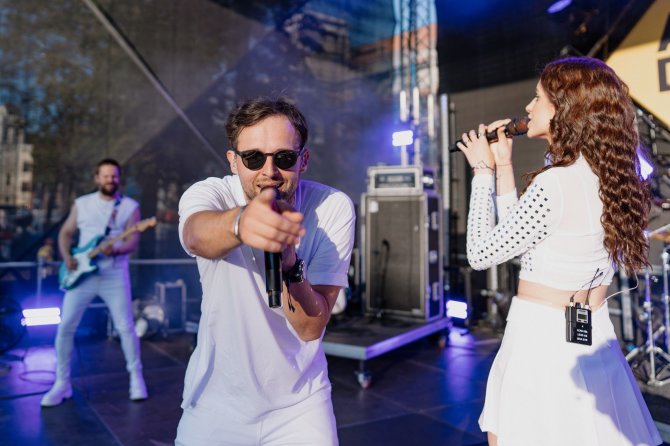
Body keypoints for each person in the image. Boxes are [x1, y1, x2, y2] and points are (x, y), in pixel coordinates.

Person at [457, 57, 662, 446]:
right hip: (591, 330)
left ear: (565, 109)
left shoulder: (556, 182)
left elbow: (482, 253)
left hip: (542, 335)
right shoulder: (610, 175)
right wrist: (503, 167)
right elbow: (527, 240)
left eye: (537, 99)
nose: (528, 108)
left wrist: (481, 175)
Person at [175, 97, 355, 446]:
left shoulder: (332, 207)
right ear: (233, 162)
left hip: (300, 403)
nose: (269, 171)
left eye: (284, 158)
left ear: (303, 159)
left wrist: (289, 262)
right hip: (216, 400)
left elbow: (310, 327)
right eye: (253, 158)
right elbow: (196, 236)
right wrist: (242, 223)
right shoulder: (210, 193)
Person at [41, 159, 148, 407]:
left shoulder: (130, 207)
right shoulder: (82, 204)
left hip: (114, 275)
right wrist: (67, 257)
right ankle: (61, 383)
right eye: (106, 176)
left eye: (115, 176)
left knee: (125, 326)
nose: (110, 180)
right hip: (82, 274)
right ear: (96, 178)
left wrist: (117, 249)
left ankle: (136, 378)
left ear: (120, 178)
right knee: (65, 326)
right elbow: (66, 232)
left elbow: (132, 243)